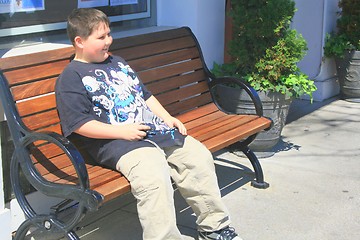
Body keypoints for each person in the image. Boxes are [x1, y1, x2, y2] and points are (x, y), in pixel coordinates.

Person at [55, 8, 242, 240]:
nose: (108, 41)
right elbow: (79, 124)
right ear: (79, 41)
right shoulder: (71, 77)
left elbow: (144, 95)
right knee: (153, 174)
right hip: (115, 142)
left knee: (196, 156)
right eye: (101, 37)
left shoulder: (117, 62)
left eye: (109, 34)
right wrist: (121, 132)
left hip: (154, 131)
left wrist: (167, 117)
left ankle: (214, 227)